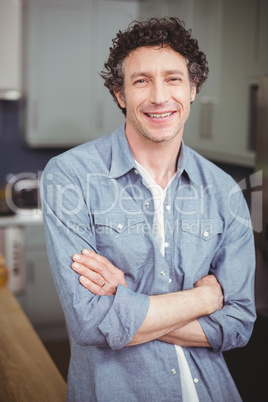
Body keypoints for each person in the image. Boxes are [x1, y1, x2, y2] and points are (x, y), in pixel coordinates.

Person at [41, 17, 256, 401]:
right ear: (120, 93)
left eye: (173, 79)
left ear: (193, 89)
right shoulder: (70, 176)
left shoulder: (224, 190)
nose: (159, 97)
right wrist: (206, 300)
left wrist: (128, 302)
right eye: (141, 80)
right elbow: (90, 322)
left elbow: (239, 324)